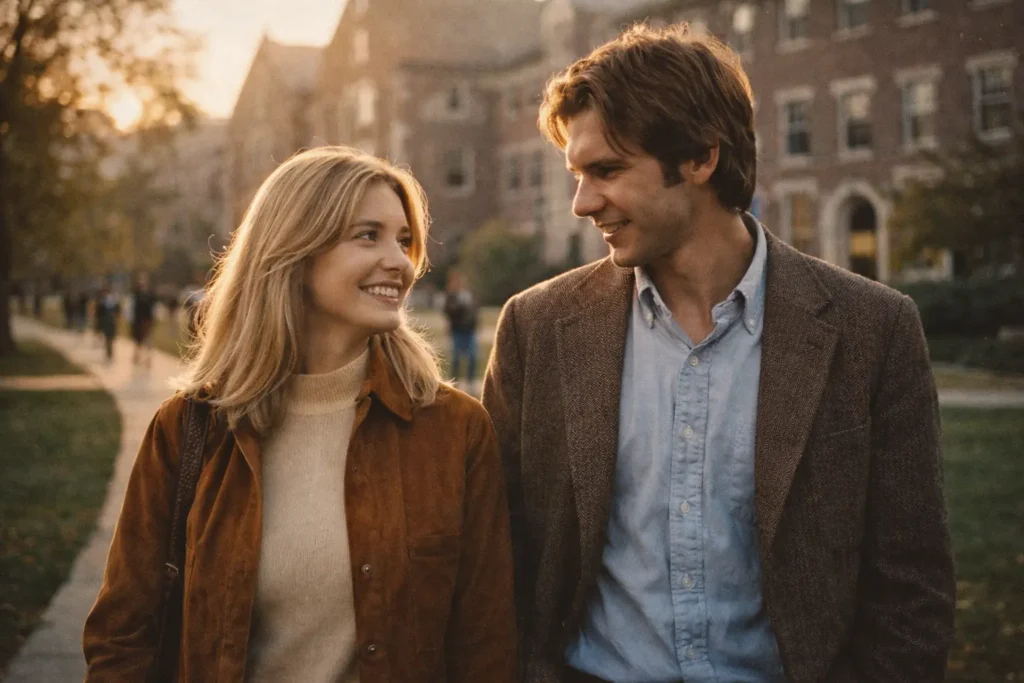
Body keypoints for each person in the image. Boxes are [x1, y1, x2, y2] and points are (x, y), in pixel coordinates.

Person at [482, 23, 955, 683]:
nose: (582, 203)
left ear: (701, 159)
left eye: (607, 170)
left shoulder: (874, 329)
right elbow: (497, 558)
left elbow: (911, 587)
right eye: (577, 174)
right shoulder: (535, 327)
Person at [83, 147, 517, 682]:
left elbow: (486, 644)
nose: (401, 263)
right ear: (295, 250)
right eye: (368, 235)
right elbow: (121, 639)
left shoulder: (454, 430)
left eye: (404, 241)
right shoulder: (189, 430)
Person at [443, 269, 479, 391]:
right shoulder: (451, 296)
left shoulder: (469, 294)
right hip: (457, 330)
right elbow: (448, 311)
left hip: (470, 330)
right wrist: (460, 305)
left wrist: (477, 324)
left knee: (473, 357)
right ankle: (455, 381)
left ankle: (470, 381)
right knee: (456, 358)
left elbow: (475, 310)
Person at [131, 274, 157, 366]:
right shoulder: (136, 294)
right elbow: (133, 307)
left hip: (147, 321)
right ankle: (137, 355)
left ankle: (148, 358)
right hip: (138, 320)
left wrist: (152, 319)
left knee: (148, 339)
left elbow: (154, 308)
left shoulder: (151, 295)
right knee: (138, 340)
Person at [95, 286, 121, 362]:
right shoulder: (103, 303)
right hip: (107, 323)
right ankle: (109, 353)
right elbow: (99, 314)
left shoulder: (113, 302)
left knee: (110, 339)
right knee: (108, 339)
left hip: (111, 323)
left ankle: (110, 353)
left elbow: (118, 313)